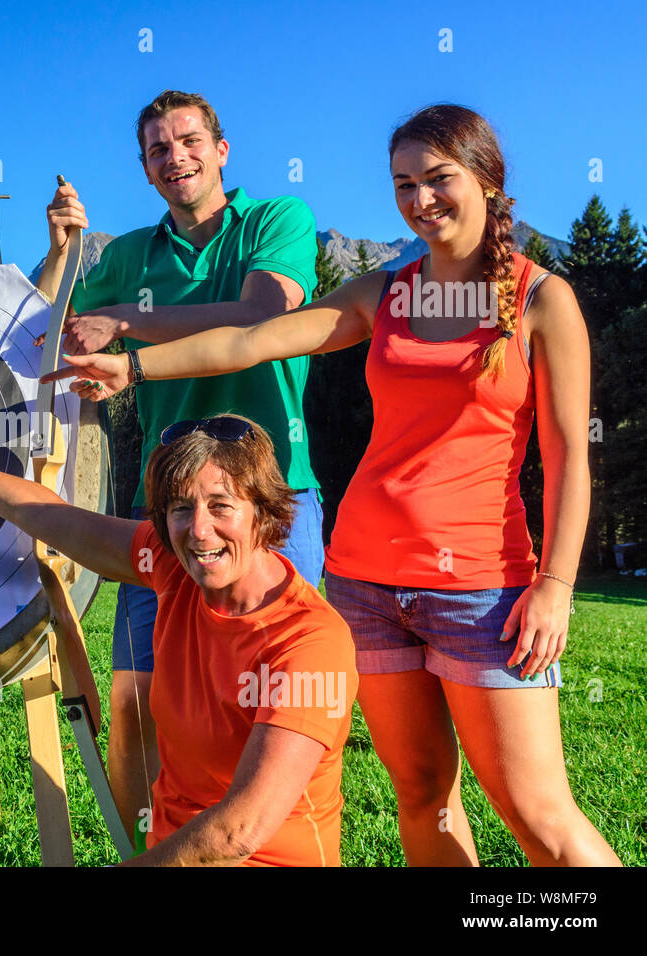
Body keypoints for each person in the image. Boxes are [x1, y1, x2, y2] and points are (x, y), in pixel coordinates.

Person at [48, 104, 622, 866]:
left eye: (438, 179)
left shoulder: (543, 300)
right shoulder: (384, 292)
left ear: (487, 177)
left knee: (540, 816)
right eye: (403, 184)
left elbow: (569, 458)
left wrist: (555, 584)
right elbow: (253, 340)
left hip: (484, 590)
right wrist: (135, 365)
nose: (421, 201)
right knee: (421, 795)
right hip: (366, 585)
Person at [36, 90, 323, 839]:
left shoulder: (274, 221)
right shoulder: (126, 254)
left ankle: (263, 845)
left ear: (222, 149)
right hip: (168, 507)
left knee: (268, 695)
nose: (177, 157)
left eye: (190, 141)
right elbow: (43, 328)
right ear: (145, 167)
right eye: (159, 150)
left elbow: (264, 313)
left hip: (274, 496)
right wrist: (65, 251)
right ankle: (149, 847)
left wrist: (128, 327)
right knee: (135, 698)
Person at [0, 412, 355, 865]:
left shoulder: (310, 643)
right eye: (180, 509)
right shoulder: (172, 566)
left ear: (263, 511)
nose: (199, 530)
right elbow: (48, 516)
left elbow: (240, 833)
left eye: (221, 506)